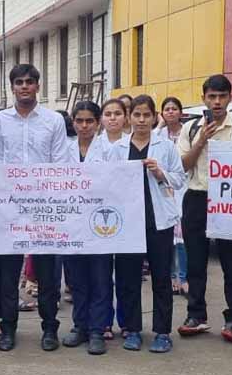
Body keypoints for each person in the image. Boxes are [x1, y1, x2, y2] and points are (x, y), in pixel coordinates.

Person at [0, 64, 69, 351]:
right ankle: (8, 328)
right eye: (19, 82)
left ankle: (49, 328)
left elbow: (60, 163)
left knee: (48, 273)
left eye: (29, 82)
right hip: (11, 206)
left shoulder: (53, 120)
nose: (24, 86)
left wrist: (45, 194)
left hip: (44, 205)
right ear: (12, 87)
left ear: (38, 85)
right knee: (8, 273)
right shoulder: (1, 119)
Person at [110, 95, 186, 353]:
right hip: (128, 222)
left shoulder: (165, 146)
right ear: (129, 117)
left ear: (155, 117)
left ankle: (162, 332)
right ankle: (132, 329)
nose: (141, 120)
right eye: (137, 115)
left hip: (158, 221)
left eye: (146, 115)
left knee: (161, 278)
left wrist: (160, 172)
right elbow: (107, 182)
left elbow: (179, 179)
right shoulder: (117, 148)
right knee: (128, 278)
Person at [177, 75, 232, 342]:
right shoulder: (191, 128)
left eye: (222, 96)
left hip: (230, 201)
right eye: (212, 97)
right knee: (196, 262)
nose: (217, 102)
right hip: (197, 198)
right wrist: (201, 141)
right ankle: (196, 315)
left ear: (230, 98)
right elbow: (183, 166)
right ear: (204, 98)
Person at [60, 101, 111, 355]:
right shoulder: (64, 150)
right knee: (77, 279)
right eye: (79, 121)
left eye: (89, 120)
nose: (84, 125)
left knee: (100, 278)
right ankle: (80, 326)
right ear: (73, 122)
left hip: (101, 223)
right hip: (72, 223)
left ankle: (97, 330)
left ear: (98, 122)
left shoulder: (110, 150)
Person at [93, 97, 129, 338]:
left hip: (127, 213)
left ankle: (126, 322)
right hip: (99, 213)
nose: (113, 118)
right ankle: (104, 321)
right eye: (108, 114)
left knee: (126, 273)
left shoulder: (132, 143)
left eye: (118, 113)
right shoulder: (95, 145)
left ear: (125, 117)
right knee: (102, 274)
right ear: (101, 119)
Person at [156, 97, 188, 296]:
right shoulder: (158, 134)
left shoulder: (188, 131)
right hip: (162, 188)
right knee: (168, 237)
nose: (170, 112)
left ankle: (183, 276)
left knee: (182, 237)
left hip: (182, 186)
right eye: (166, 109)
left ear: (180, 112)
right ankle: (170, 276)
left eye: (174, 109)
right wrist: (159, 125)